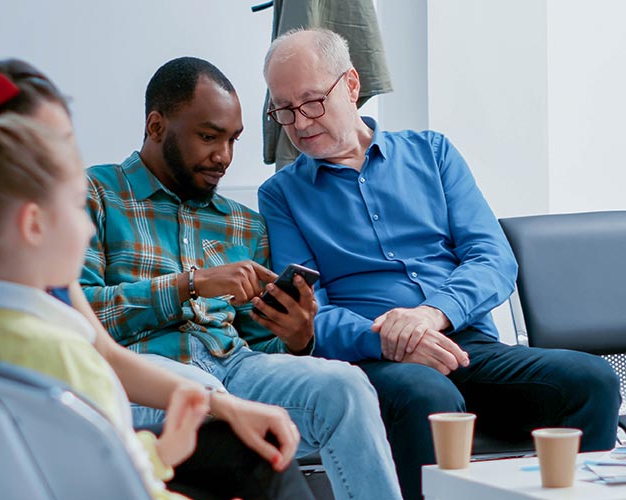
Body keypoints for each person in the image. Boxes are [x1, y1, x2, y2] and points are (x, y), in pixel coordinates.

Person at [0, 61, 316, 500]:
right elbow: (109, 478)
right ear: (31, 216)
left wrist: (220, 404)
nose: (90, 220)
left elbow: (106, 356)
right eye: (59, 148)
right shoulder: (57, 352)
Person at [258, 28, 621, 500]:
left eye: (310, 102)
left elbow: (493, 259)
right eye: (283, 110)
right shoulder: (281, 195)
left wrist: (430, 315)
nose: (299, 123)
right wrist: (389, 337)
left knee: (592, 381)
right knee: (429, 396)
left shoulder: (433, 153)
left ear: (350, 85)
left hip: (469, 347)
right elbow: (309, 315)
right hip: (376, 362)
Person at [81, 56, 403, 500]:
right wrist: (192, 284)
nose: (224, 157)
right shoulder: (95, 194)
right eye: (209, 137)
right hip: (145, 371)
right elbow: (79, 316)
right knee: (202, 391)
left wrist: (296, 336)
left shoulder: (244, 224)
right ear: (156, 127)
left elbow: (257, 339)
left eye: (233, 140)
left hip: (238, 365)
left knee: (346, 387)